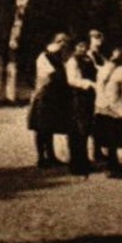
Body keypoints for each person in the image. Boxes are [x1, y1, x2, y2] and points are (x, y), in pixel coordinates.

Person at [26, 33, 72, 167]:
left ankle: (51, 156)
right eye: (62, 42)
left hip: (54, 94)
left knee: (50, 125)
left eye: (65, 42)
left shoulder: (59, 57)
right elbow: (53, 75)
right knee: (41, 127)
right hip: (44, 94)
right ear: (57, 42)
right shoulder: (44, 56)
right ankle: (41, 158)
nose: (63, 45)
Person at [93, 46, 122, 179]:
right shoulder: (113, 70)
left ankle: (113, 165)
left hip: (109, 105)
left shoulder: (110, 70)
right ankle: (113, 167)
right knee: (113, 137)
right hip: (112, 106)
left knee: (113, 137)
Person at [64, 39, 99, 176]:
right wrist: (88, 83)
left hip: (88, 98)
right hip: (77, 98)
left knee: (85, 130)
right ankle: (76, 164)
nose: (83, 48)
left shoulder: (88, 59)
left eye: (85, 45)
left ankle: (84, 161)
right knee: (78, 131)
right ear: (75, 47)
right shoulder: (72, 61)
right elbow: (72, 80)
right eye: (80, 45)